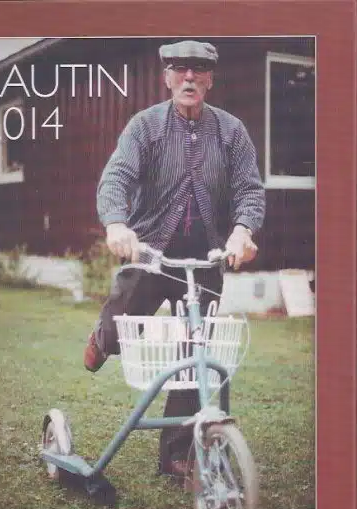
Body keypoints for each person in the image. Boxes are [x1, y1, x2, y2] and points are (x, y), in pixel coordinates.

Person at [84, 40, 266, 480]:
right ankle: (103, 338)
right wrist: (116, 224)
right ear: (167, 77)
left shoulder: (231, 131)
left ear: (209, 79)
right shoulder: (144, 126)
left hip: (203, 264)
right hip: (149, 254)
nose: (189, 77)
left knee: (194, 359)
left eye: (198, 70)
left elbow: (249, 188)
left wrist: (243, 230)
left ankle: (176, 456)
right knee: (122, 327)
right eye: (180, 69)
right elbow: (117, 178)